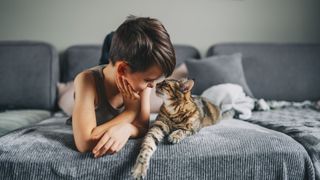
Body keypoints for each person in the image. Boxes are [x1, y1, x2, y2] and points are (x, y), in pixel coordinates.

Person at [71, 15, 176, 158]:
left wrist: (127, 129)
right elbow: (84, 143)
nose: (152, 85)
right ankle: (111, 41)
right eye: (148, 79)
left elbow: (142, 126)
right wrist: (130, 112)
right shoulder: (86, 81)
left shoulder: (145, 85)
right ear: (122, 69)